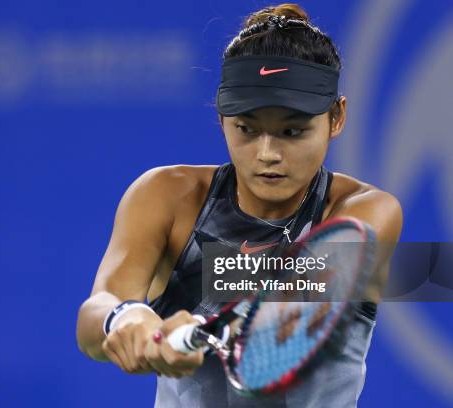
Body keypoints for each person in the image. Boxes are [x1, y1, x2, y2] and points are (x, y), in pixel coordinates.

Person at [76, 3, 402, 407]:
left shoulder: (367, 210)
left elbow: (297, 292)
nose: (267, 153)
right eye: (246, 129)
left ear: (336, 117)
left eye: (292, 131)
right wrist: (124, 318)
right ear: (222, 117)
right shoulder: (164, 194)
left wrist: (193, 326)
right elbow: (94, 316)